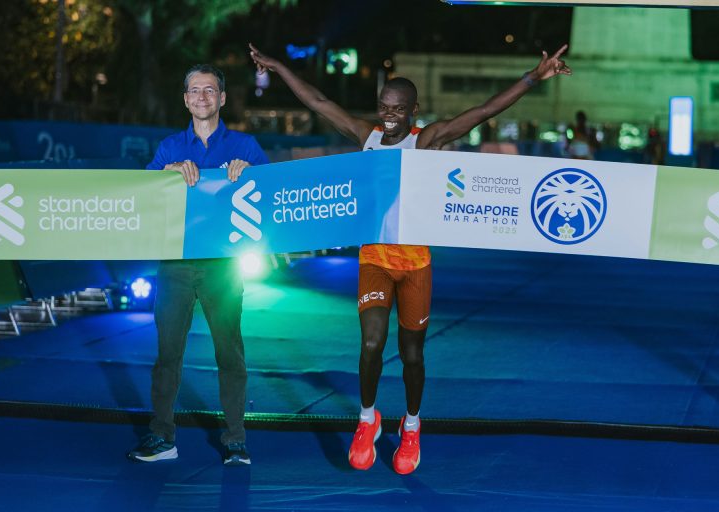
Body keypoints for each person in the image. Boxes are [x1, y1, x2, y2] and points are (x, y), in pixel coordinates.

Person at [250, 42, 570, 475]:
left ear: (413, 111)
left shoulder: (427, 140)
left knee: (412, 355)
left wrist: (533, 77)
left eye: (398, 109)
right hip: (375, 258)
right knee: (370, 343)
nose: (389, 116)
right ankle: (367, 419)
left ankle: (412, 425)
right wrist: (278, 66)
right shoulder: (367, 137)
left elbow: (483, 111)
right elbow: (318, 101)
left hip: (415, 264)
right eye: (384, 107)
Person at [127, 64, 269, 466]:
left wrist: (254, 174)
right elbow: (144, 194)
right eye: (194, 90)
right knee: (167, 355)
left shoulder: (244, 145)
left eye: (209, 90)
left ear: (222, 98)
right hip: (175, 263)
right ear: (185, 99)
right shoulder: (170, 147)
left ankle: (236, 440)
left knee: (230, 353)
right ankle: (162, 437)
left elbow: (275, 193)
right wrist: (166, 174)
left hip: (224, 267)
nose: (202, 96)